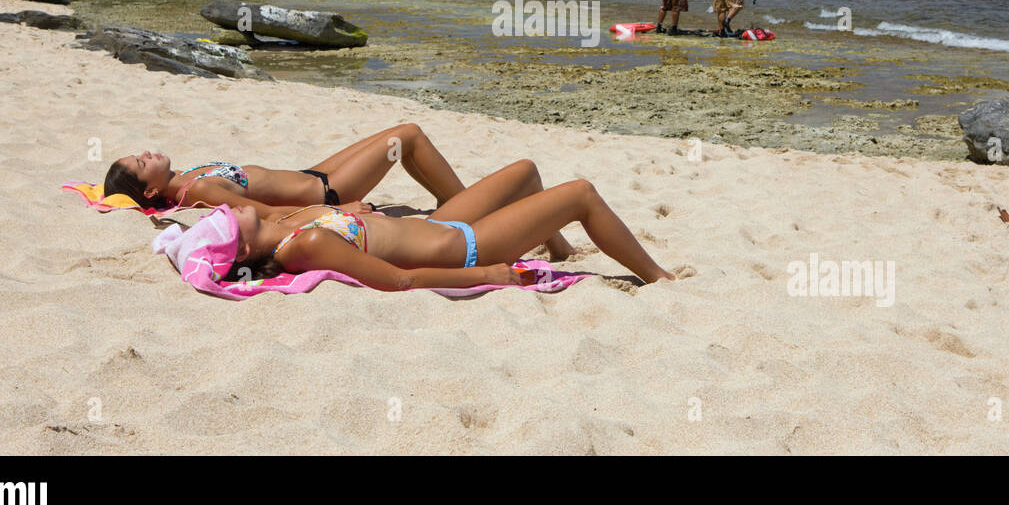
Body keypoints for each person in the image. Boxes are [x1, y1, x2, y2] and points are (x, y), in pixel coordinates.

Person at [103, 125, 577, 259]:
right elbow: (266, 210)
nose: (146, 153)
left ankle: (473, 206)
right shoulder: (200, 190)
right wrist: (341, 205)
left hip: (314, 174)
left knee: (398, 136)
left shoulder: (190, 173)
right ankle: (459, 203)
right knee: (406, 138)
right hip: (328, 192)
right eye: (140, 164)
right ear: (149, 189)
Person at [227, 165, 678, 288]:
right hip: (465, 249)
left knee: (525, 172)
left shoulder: (283, 224)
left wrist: (349, 211)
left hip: (438, 225)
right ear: (244, 251)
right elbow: (400, 280)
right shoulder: (301, 248)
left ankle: (557, 248)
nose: (226, 210)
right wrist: (483, 274)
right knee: (580, 192)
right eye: (225, 221)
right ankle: (659, 277)